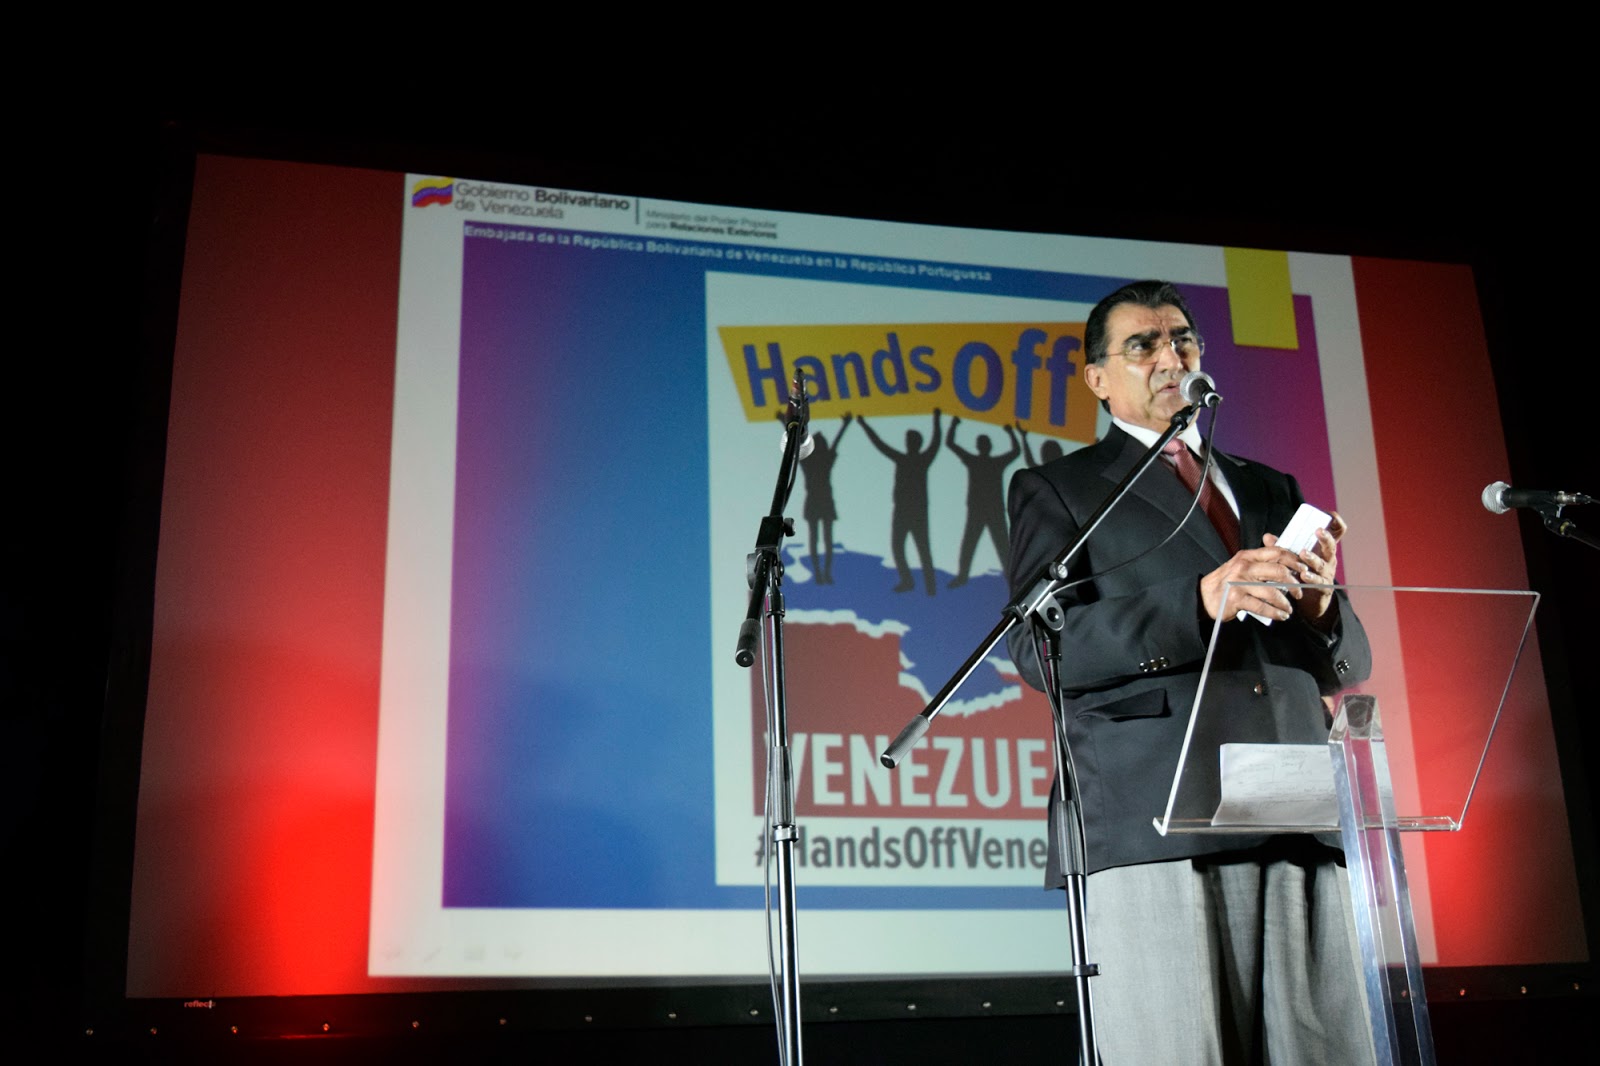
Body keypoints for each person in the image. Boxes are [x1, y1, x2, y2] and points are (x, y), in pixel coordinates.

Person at [1004, 280, 1374, 1065]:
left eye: (1182, 339)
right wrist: (1199, 601)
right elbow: (1041, 647)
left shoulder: (1269, 486)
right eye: (1143, 345)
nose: (1170, 357)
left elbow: (1351, 660)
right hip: (1157, 816)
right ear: (1098, 378)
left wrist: (1320, 607)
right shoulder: (1060, 489)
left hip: (1292, 801)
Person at [859, 410, 942, 595]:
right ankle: (907, 580)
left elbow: (936, 442)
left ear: (917, 443)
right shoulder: (901, 459)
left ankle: (931, 587)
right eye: (907, 440)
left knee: (923, 549)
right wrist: (864, 425)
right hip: (901, 511)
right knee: (898, 547)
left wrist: (937, 420)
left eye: (911, 440)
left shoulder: (923, 459)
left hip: (918, 512)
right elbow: (880, 445)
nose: (908, 442)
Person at [945, 416, 1021, 588]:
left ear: (988, 446)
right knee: (969, 544)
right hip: (977, 510)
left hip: (995, 511)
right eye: (982, 443)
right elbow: (951, 444)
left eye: (985, 443)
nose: (984, 445)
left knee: (1003, 547)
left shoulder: (996, 462)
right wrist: (953, 425)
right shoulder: (973, 460)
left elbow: (1015, 452)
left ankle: (1013, 582)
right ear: (979, 446)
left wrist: (1011, 433)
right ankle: (962, 576)